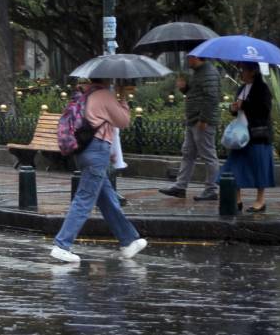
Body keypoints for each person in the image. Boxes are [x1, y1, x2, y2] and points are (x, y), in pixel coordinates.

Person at [50, 79, 147, 263]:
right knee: (85, 198)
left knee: (106, 198)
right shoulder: (103, 95)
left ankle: (128, 241)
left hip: (84, 151)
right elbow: (123, 121)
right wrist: (124, 100)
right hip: (97, 151)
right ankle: (61, 245)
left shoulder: (84, 94)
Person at [159, 54, 221, 201]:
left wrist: (204, 119)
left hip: (202, 121)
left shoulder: (209, 73)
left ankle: (211, 189)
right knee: (188, 153)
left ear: (197, 57)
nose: (187, 60)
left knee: (208, 154)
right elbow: (196, 93)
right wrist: (184, 88)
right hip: (193, 120)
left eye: (190, 57)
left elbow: (212, 97)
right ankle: (180, 186)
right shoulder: (198, 72)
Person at [220, 62, 275, 213]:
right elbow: (236, 109)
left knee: (259, 167)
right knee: (234, 166)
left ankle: (260, 200)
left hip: (257, 135)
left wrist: (245, 105)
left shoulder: (262, 89)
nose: (241, 73)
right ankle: (237, 199)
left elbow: (264, 110)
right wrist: (233, 107)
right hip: (240, 134)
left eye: (243, 70)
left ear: (253, 72)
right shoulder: (241, 88)